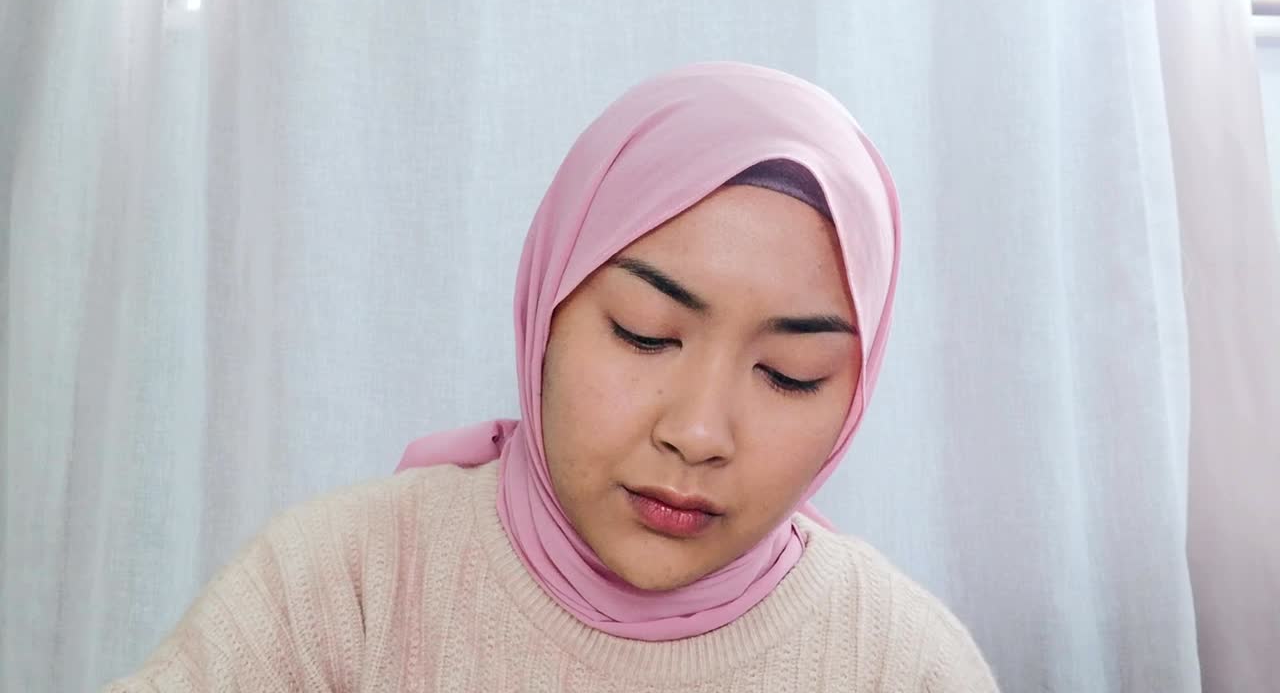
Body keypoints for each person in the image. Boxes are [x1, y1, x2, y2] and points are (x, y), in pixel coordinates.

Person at [106, 62, 998, 691]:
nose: (697, 432)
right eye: (646, 335)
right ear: (545, 310)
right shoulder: (350, 587)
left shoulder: (899, 663)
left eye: (791, 375)